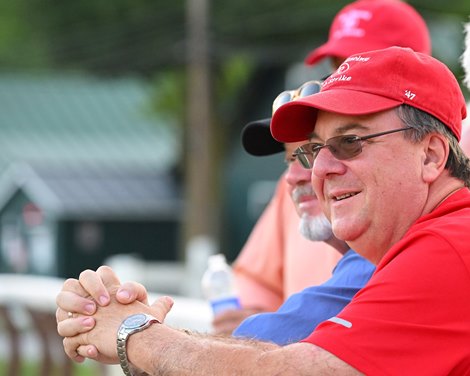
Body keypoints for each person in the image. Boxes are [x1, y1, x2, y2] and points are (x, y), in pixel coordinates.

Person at [57, 46, 470, 374]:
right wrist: (145, 331)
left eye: (350, 143)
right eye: (311, 152)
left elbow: (299, 370)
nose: (319, 170)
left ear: (431, 155)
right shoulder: (429, 242)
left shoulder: (448, 247)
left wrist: (135, 334)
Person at [228, 0, 432, 333]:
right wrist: (250, 322)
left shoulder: (432, 183)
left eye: (346, 144)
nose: (309, 171)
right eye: (300, 155)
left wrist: (137, 333)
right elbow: (254, 285)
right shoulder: (296, 183)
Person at [230, 83, 374, 344]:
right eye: (289, 160)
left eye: (312, 152)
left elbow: (261, 342)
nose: (292, 177)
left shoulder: (381, 255)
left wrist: (141, 329)